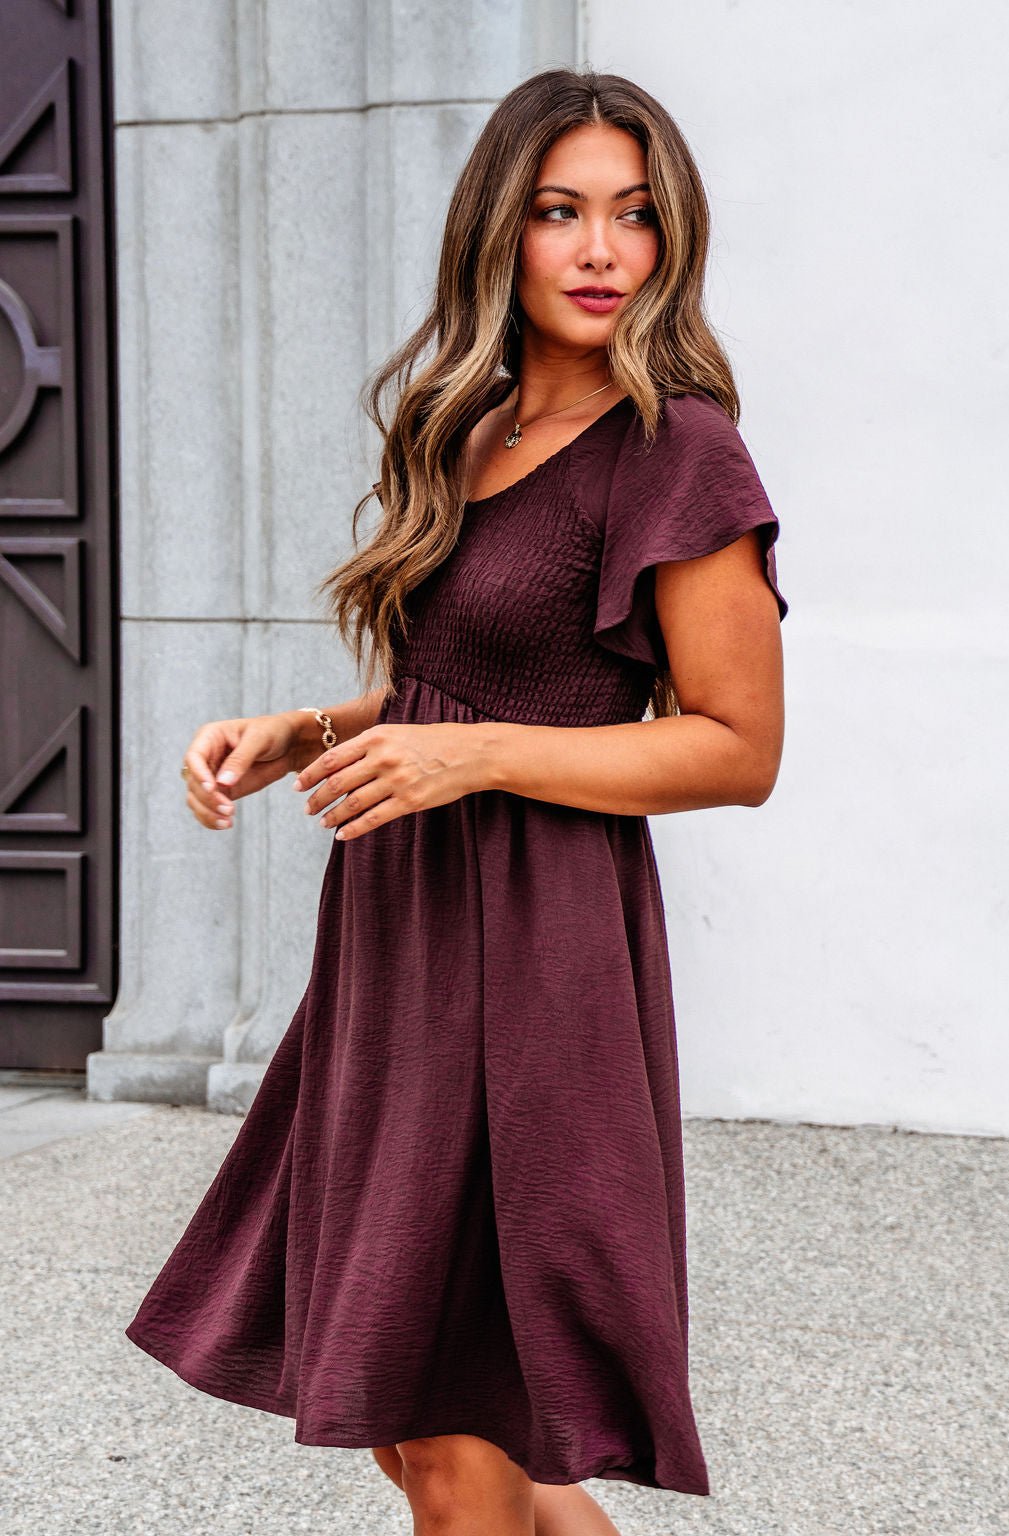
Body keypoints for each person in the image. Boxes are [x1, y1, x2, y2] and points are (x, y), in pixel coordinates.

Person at [125, 65, 788, 1536]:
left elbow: (737, 747)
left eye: (635, 217)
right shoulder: (466, 428)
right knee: (413, 1417)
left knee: (457, 1430)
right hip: (402, 952)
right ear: (502, 229)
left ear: (671, 242)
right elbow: (456, 680)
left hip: (540, 961)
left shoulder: (678, 452)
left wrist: (474, 755)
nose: (603, 252)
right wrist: (303, 730)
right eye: (563, 213)